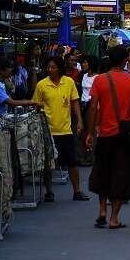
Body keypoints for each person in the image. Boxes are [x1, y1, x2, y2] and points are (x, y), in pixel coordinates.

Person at [86, 46, 130, 229]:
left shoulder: (100, 80)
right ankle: (113, 218)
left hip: (104, 134)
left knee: (103, 172)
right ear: (125, 60)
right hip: (124, 136)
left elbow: (93, 107)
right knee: (121, 175)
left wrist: (90, 132)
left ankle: (102, 210)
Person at [32, 56, 88, 203]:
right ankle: (49, 192)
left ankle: (77, 191)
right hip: (48, 130)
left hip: (66, 129)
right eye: (49, 67)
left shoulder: (68, 82)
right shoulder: (41, 85)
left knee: (72, 162)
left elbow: (75, 102)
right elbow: (36, 105)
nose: (51, 70)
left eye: (54, 67)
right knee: (48, 163)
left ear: (59, 68)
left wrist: (80, 121)